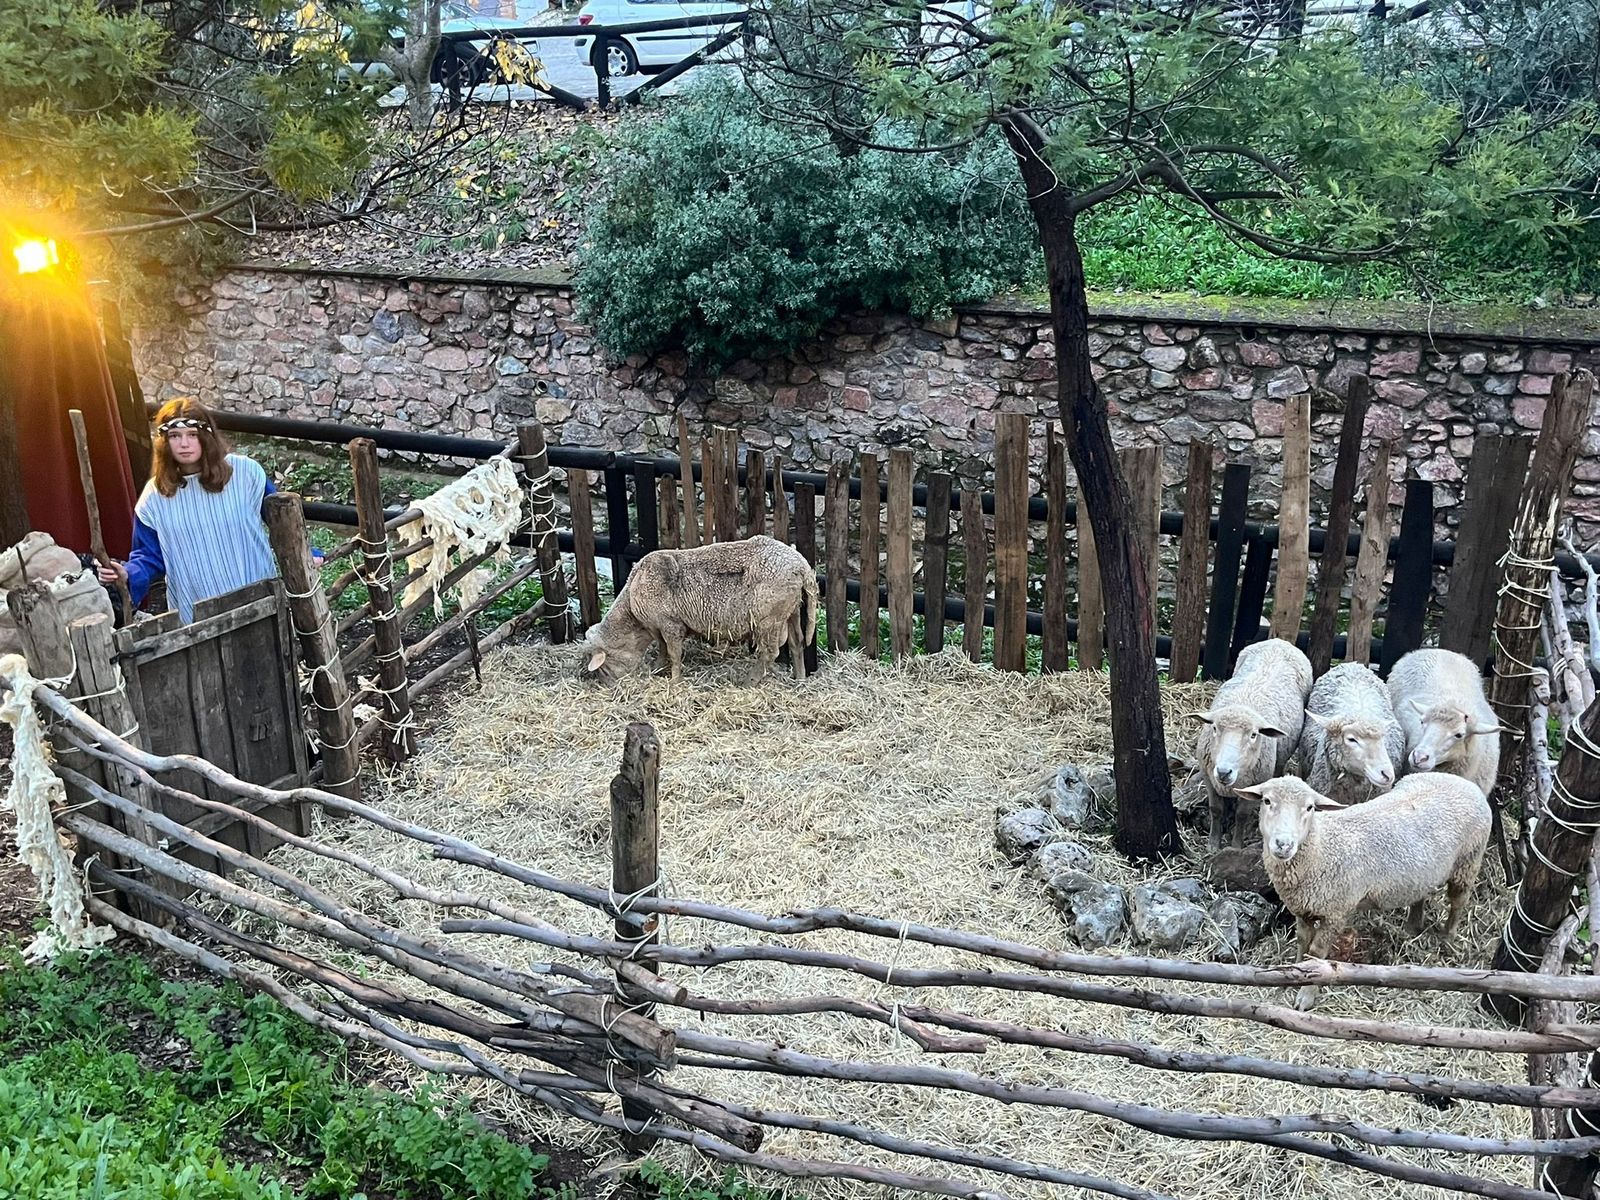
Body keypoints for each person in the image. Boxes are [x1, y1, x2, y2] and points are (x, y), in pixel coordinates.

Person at [99, 398, 287, 623]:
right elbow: (149, 555)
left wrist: (308, 552)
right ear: (164, 442)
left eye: (192, 434)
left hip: (258, 604)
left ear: (206, 437)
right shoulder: (155, 497)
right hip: (197, 617)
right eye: (175, 436)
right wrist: (128, 573)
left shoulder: (245, 473)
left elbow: (282, 520)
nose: (184, 444)